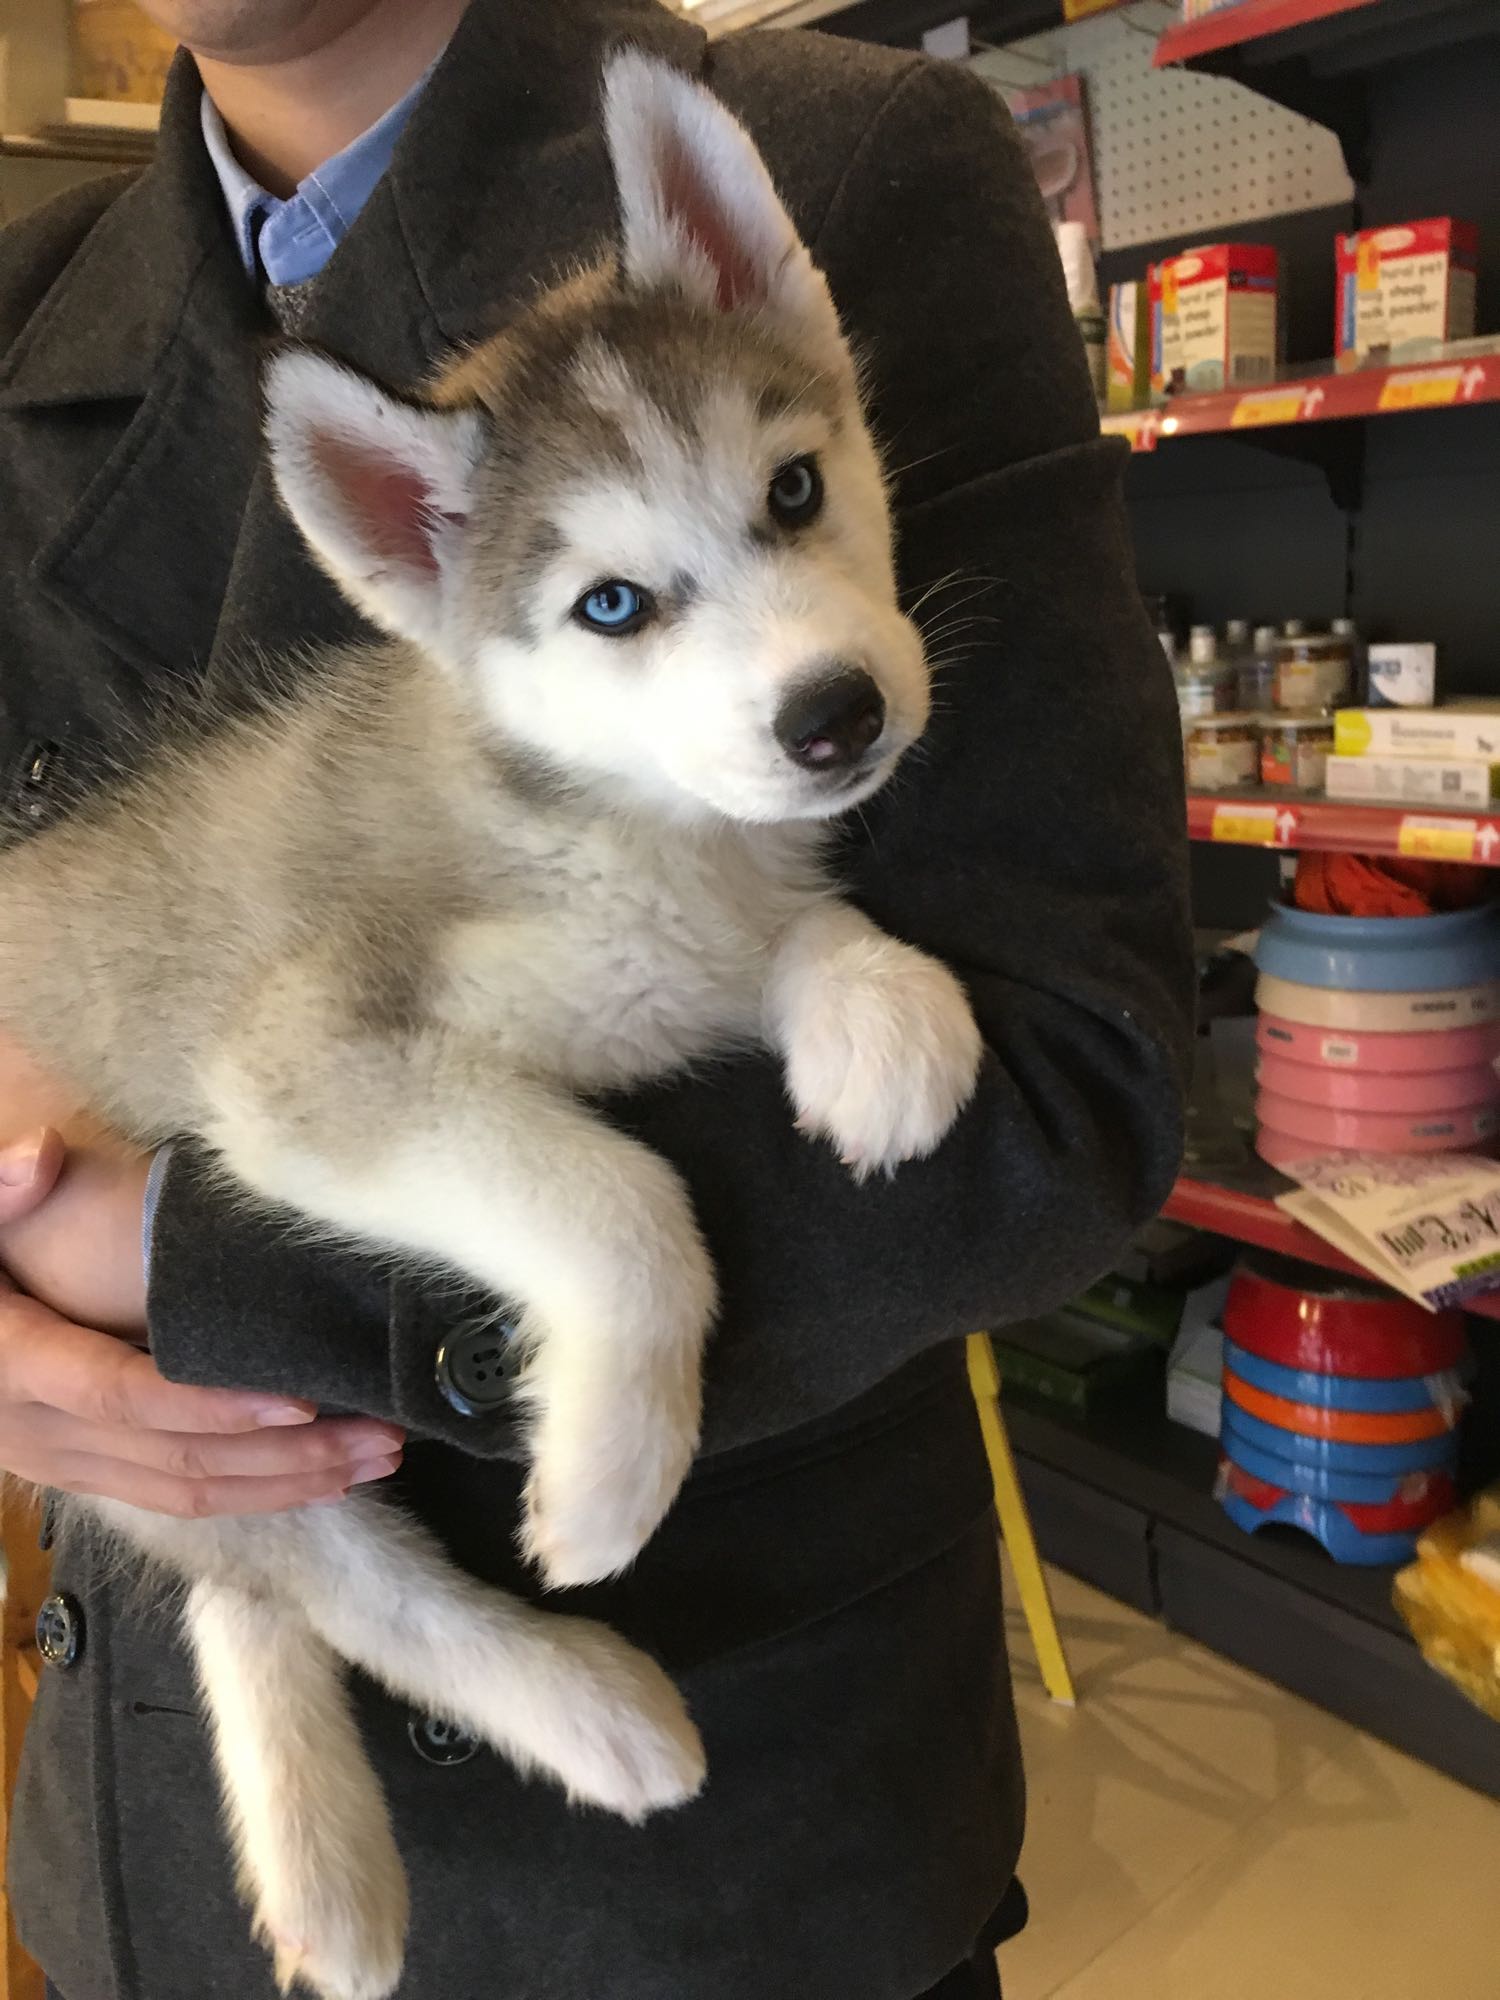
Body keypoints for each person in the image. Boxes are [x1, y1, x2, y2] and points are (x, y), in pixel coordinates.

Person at [0, 2, 1192, 1995]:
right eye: (623, 603)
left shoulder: (844, 151)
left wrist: (177, 1262)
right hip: (140, 1865)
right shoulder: (24, 312)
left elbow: (1072, 1080)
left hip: (726, 1866)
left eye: (792, 502)